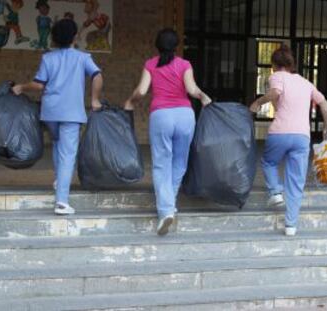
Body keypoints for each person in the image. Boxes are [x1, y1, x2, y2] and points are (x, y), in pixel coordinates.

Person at [124, 28, 211, 236]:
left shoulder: (150, 64)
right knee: (179, 162)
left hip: (161, 116)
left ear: (157, 45)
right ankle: (169, 205)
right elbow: (192, 90)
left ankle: (165, 209)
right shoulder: (184, 64)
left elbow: (142, 91)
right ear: (177, 45)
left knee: (162, 163)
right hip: (184, 116)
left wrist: (130, 101)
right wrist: (204, 97)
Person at [12, 19, 103, 215]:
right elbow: (97, 76)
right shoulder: (83, 57)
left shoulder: (48, 58)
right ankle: (62, 201)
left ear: (54, 38)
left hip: (51, 112)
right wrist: (95, 99)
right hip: (71, 112)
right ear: (74, 36)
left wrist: (21, 86)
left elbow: (38, 85)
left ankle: (59, 179)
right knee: (68, 153)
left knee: (57, 144)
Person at [250, 44, 327, 236]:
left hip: (280, 133)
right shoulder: (306, 82)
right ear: (291, 64)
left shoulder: (277, 76)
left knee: (269, 162)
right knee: (296, 181)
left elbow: (275, 93)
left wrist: (257, 102)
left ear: (274, 65)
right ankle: (291, 226)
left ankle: (276, 192)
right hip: (302, 136)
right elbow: (323, 102)